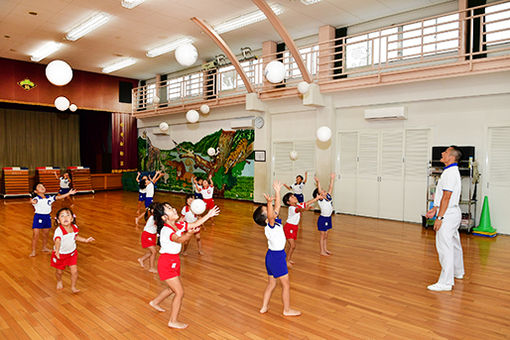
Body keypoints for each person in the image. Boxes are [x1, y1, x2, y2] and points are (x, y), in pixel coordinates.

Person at [149, 202, 219, 329]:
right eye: (169, 209)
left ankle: (155, 302)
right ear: (164, 217)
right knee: (179, 292)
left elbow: (194, 224)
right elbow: (180, 239)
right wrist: (189, 234)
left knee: (172, 289)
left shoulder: (178, 225)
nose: (173, 209)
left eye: (172, 207)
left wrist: (209, 215)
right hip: (167, 263)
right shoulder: (166, 230)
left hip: (174, 261)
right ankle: (173, 321)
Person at [252, 180, 301, 317]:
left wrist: (278, 192)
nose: (273, 209)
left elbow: (278, 206)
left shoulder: (275, 222)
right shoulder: (271, 225)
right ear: (267, 217)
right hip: (277, 257)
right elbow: (271, 213)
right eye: (268, 210)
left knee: (271, 284)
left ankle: (264, 307)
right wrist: (268, 202)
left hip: (271, 256)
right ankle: (287, 310)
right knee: (286, 285)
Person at [425, 146, 464, 292]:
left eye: (446, 152)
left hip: (448, 214)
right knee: (454, 244)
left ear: (452, 157)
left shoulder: (450, 173)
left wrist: (439, 217)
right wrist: (435, 208)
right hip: (452, 212)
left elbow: (447, 197)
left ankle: (446, 282)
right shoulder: (450, 171)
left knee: (444, 247)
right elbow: (444, 196)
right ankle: (458, 272)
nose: (442, 153)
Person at [51, 207, 95, 293]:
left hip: (72, 253)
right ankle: (59, 280)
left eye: (68, 215)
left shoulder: (74, 227)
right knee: (59, 272)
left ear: (72, 218)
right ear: (59, 221)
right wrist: (57, 250)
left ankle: (73, 287)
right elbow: (57, 241)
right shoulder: (59, 231)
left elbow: (75, 236)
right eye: (62, 216)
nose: (65, 218)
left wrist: (85, 240)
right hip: (60, 254)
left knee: (74, 271)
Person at [30, 183, 76, 257]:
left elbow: (59, 197)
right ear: (36, 191)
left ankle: (44, 247)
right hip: (38, 218)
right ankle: (33, 251)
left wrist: (69, 193)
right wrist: (32, 202)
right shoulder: (37, 199)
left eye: (43, 186)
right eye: (39, 187)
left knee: (46, 234)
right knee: (36, 235)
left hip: (47, 217)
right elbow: (34, 201)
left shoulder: (49, 198)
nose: (42, 187)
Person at [282, 192, 319, 267]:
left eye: (293, 196)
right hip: (289, 228)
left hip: (294, 227)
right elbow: (299, 210)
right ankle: (286, 261)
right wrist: (305, 209)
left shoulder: (298, 205)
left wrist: (317, 198)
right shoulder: (291, 208)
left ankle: (287, 259)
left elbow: (307, 203)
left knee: (290, 246)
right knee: (292, 246)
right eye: (291, 197)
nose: (294, 197)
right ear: (288, 202)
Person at [313, 173, 335, 256]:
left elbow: (330, 187)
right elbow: (319, 191)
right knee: (323, 235)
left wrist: (332, 179)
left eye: (323, 190)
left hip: (328, 218)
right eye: (322, 191)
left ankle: (325, 249)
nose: (323, 191)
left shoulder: (328, 197)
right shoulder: (321, 200)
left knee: (326, 235)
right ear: (319, 195)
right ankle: (322, 251)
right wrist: (318, 182)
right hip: (323, 219)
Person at [138, 203, 158, 273]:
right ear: (152, 210)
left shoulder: (156, 217)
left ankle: (141, 259)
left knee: (151, 252)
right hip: (147, 236)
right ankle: (151, 268)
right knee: (154, 252)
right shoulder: (153, 218)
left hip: (152, 235)